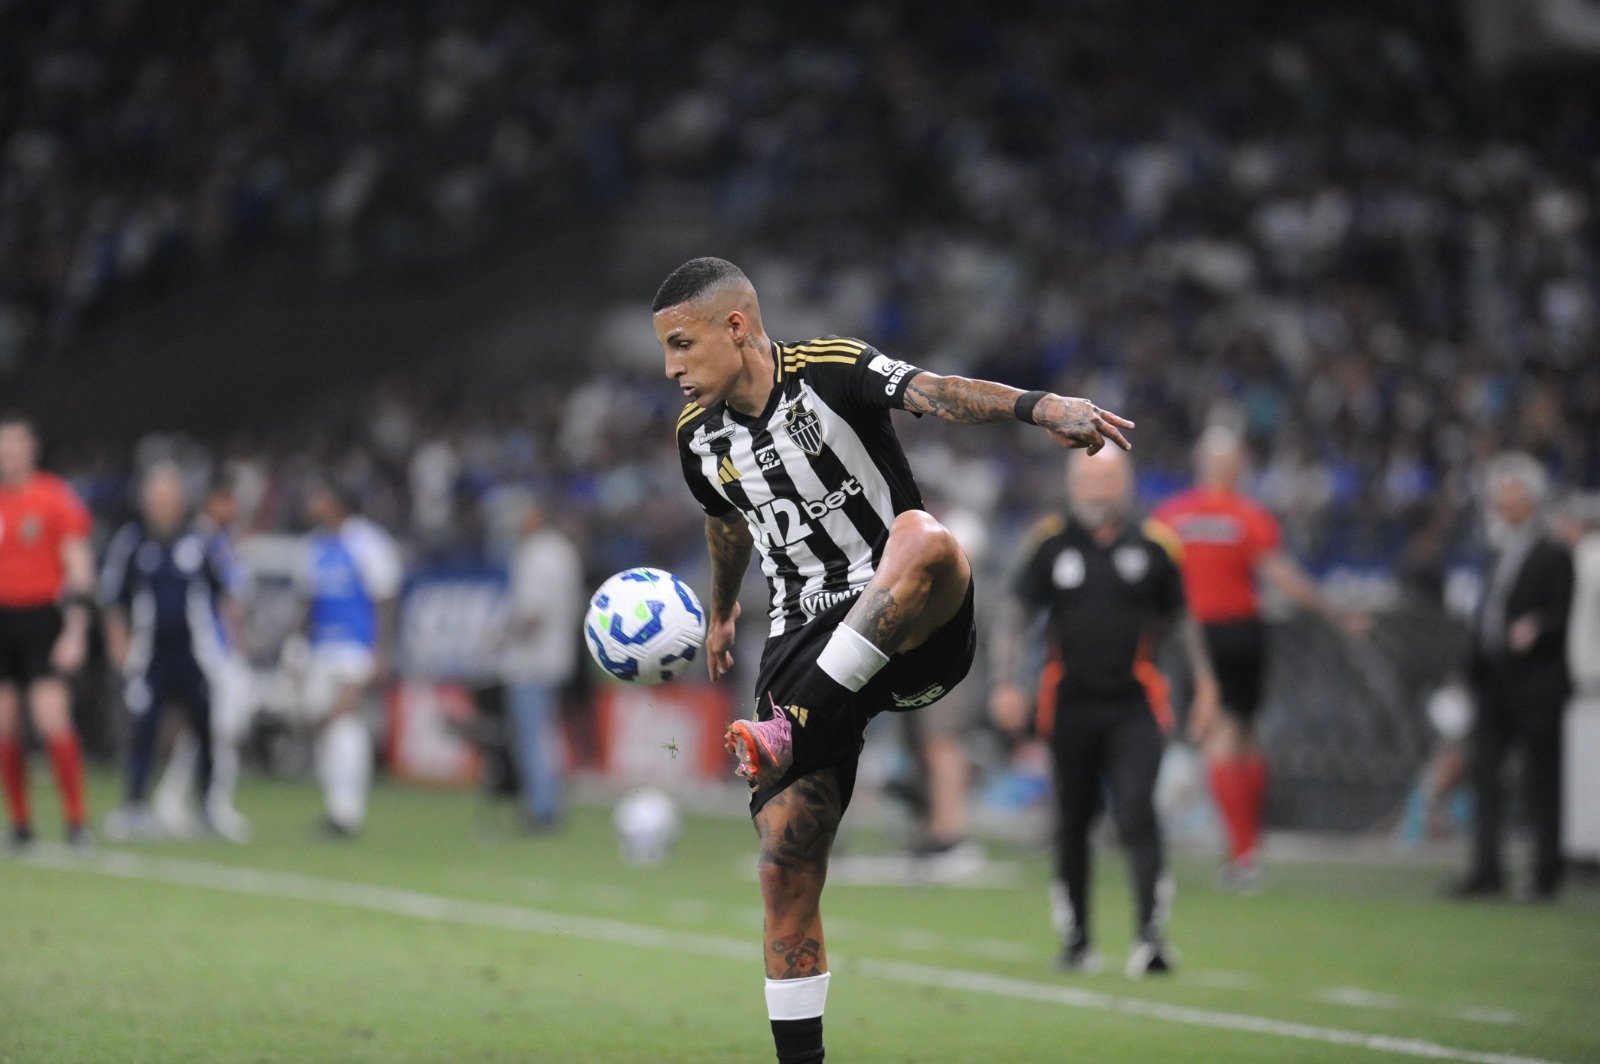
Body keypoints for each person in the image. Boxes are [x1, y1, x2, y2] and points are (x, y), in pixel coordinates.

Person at [656, 257, 1132, 1063]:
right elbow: (727, 522)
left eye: (681, 343)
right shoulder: (697, 440)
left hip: (909, 618)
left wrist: (1040, 406)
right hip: (802, 637)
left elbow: (937, 391)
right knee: (785, 867)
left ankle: (795, 721)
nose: (671, 370)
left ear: (736, 327)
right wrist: (724, 606)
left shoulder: (831, 371)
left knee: (924, 536)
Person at [991, 448, 1220, 976]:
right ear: (1073, 483)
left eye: (1109, 478)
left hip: (1136, 707)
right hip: (1067, 707)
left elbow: (1183, 622)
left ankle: (1151, 938)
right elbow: (1016, 613)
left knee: (1138, 812)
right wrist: (1005, 683)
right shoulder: (1050, 542)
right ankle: (1077, 939)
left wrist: (1206, 688)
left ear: (1127, 483)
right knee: (1072, 822)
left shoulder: (1156, 544)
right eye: (1090, 478)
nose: (1099, 488)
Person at [1152, 425, 1356, 890]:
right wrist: (1332, 612)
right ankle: (1251, 847)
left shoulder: (1172, 517)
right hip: (1244, 632)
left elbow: (1154, 579)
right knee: (1244, 733)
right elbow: (1279, 573)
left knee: (1219, 737)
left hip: (1200, 635)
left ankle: (1242, 854)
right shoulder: (1248, 516)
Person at [1450, 453, 1573, 901]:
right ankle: (1487, 871)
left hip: (1536, 682)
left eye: (1510, 493)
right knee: (1485, 777)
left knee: (1542, 781)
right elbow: (1484, 618)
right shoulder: (1493, 552)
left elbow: (1558, 616)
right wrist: (1466, 672)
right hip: (1495, 681)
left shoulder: (1553, 554)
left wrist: (1535, 628)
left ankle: (1546, 874)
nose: (1501, 502)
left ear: (1531, 499)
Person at [101, 462, 239, 840]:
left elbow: (226, 594)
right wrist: (120, 648)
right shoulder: (131, 541)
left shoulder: (202, 539)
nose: (163, 505)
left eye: (170, 496)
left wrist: (229, 647)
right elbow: (115, 601)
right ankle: (134, 807)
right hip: (149, 655)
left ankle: (209, 808)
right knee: (144, 728)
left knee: (207, 730)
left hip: (198, 654)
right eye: (156, 497)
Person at [0, 413, 95, 851]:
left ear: (31, 448)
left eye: (16, 442)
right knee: (5, 724)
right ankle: (21, 826)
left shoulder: (54, 497)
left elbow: (78, 565)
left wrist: (75, 629)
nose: (8, 451)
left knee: (51, 715)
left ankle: (77, 823)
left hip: (42, 619)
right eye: (3, 444)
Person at [150, 473, 252, 840]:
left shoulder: (221, 540)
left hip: (221, 648)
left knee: (212, 729)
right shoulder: (201, 541)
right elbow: (223, 601)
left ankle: (176, 798)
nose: (233, 507)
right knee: (219, 727)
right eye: (226, 499)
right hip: (210, 649)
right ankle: (210, 804)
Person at [299, 482, 402, 837]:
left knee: (346, 725)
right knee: (321, 724)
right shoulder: (315, 546)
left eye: (319, 495)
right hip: (320, 650)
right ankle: (334, 807)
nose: (311, 502)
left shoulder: (369, 543)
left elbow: (385, 599)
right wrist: (299, 647)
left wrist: (380, 652)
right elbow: (309, 603)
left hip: (354, 648)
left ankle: (347, 812)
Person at [500, 494, 583, 830]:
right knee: (547, 734)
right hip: (559, 654)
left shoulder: (534, 554)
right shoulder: (563, 550)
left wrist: (502, 633)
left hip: (532, 660)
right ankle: (549, 801)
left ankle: (542, 806)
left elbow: (532, 614)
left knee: (532, 735)